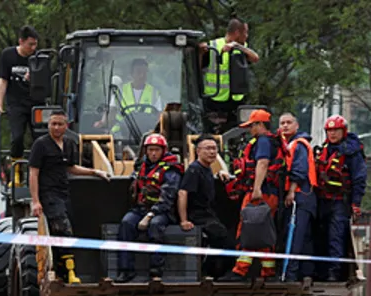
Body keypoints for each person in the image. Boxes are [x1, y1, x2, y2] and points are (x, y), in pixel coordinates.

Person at [29, 108, 110, 284]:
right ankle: (70, 271)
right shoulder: (40, 145)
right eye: (53, 124)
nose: (56, 127)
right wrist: (35, 201)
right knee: (64, 229)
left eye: (60, 124)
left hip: (64, 193)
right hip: (48, 194)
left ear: (66, 126)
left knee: (65, 229)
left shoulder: (69, 144)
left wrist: (94, 172)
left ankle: (61, 271)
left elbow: (71, 168)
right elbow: (33, 173)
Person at [222, 108, 285, 280]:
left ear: (260, 124)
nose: (250, 130)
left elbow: (262, 163)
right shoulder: (271, 141)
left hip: (261, 193)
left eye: (252, 126)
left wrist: (256, 189)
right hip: (269, 193)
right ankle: (267, 271)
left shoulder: (263, 141)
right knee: (262, 232)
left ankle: (240, 271)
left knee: (249, 230)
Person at [116, 133, 184, 282]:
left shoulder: (171, 169)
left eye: (157, 150)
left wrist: (150, 215)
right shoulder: (141, 166)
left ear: (163, 150)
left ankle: (156, 271)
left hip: (163, 212)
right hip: (140, 208)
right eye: (150, 149)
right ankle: (126, 270)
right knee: (126, 223)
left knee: (155, 226)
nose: (153, 153)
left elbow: (168, 196)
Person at [313, 114, 366, 282]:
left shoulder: (352, 152)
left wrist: (356, 203)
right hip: (322, 200)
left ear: (344, 131)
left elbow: (359, 179)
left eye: (336, 130)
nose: (332, 134)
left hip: (340, 202)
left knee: (336, 236)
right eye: (329, 131)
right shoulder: (324, 150)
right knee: (320, 235)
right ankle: (320, 271)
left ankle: (334, 272)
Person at [176, 134, 235, 279]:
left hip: (209, 214)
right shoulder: (193, 170)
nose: (212, 152)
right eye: (208, 148)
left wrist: (220, 173)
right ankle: (210, 273)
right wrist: (184, 220)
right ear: (198, 151)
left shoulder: (207, 169)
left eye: (214, 148)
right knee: (224, 239)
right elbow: (183, 193)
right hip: (198, 217)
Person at [199, 18, 260, 130]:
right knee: (213, 133)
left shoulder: (241, 48)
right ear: (237, 33)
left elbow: (255, 58)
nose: (246, 36)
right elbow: (198, 67)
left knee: (235, 133)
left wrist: (236, 46)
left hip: (236, 100)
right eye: (245, 32)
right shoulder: (213, 46)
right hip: (215, 100)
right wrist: (201, 53)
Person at [278, 112, 317, 281]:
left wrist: (291, 191)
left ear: (297, 125)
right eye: (282, 123)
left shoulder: (298, 144)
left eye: (289, 122)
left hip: (300, 196)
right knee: (304, 237)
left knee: (294, 237)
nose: (285, 126)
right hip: (305, 198)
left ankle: (290, 275)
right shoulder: (289, 144)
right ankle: (306, 273)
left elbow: (299, 170)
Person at [0, 26, 41, 162]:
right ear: (21, 41)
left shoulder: (38, 57)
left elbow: (46, 81)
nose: (33, 48)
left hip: (36, 102)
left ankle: (39, 166)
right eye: (30, 44)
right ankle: (16, 167)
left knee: (40, 138)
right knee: (17, 137)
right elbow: (3, 80)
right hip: (16, 103)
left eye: (35, 44)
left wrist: (35, 78)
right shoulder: (7, 55)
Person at [96, 58, 165, 136]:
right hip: (121, 134)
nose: (142, 75)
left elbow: (159, 116)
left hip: (146, 134)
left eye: (145, 72)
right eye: (138, 72)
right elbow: (112, 112)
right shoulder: (120, 91)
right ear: (132, 74)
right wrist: (104, 123)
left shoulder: (154, 93)